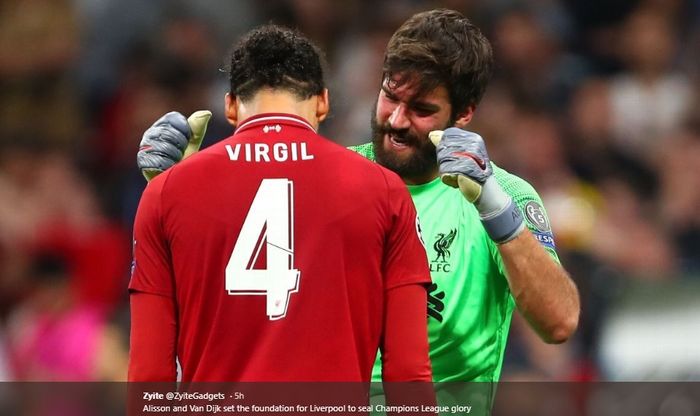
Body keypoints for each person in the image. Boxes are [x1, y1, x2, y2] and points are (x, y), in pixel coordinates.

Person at [137, 9, 580, 385]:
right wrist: (180, 188)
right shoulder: (327, 178)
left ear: (464, 114)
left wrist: (494, 209)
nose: (398, 120)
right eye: (390, 96)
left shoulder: (505, 197)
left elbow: (559, 322)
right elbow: (241, 297)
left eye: (422, 110)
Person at [128, 25, 433, 384]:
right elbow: (408, 375)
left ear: (230, 107)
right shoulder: (384, 190)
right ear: (322, 102)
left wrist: (171, 187)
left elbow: (150, 377)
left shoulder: (165, 194)